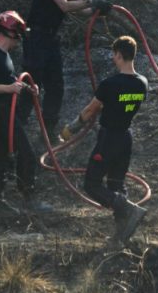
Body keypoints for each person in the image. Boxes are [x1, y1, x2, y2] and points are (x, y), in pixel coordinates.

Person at [60, 35, 149, 244]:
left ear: (118, 54)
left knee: (91, 183)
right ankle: (122, 232)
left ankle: (128, 210)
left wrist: (71, 129)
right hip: (126, 137)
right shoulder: (142, 83)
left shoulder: (110, 84)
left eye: (114, 55)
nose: (113, 58)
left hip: (109, 138)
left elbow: (91, 109)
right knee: (117, 185)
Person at [25, 0, 112, 130]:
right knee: (31, 85)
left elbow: (84, 9)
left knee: (56, 85)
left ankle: (48, 130)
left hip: (51, 38)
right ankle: (16, 129)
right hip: (35, 38)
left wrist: (99, 9)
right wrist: (92, 2)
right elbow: (64, 6)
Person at [0, 10, 51, 212]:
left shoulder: (4, 56)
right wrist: (8, 89)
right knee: (26, 152)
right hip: (1, 112)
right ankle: (30, 199)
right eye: (19, 35)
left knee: (1, 154)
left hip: (7, 111)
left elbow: (9, 81)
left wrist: (28, 88)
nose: (19, 40)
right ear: (11, 33)